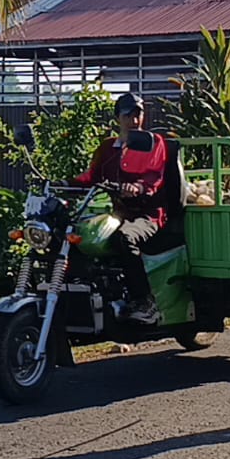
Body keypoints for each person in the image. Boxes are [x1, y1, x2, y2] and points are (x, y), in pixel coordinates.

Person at [65, 92, 168, 324]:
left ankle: (145, 302)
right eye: (128, 115)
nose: (134, 120)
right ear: (117, 118)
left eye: (138, 114)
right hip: (118, 214)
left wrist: (138, 188)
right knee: (76, 235)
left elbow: (154, 177)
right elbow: (91, 176)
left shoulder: (153, 143)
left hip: (148, 215)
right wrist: (63, 183)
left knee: (125, 238)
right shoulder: (108, 148)